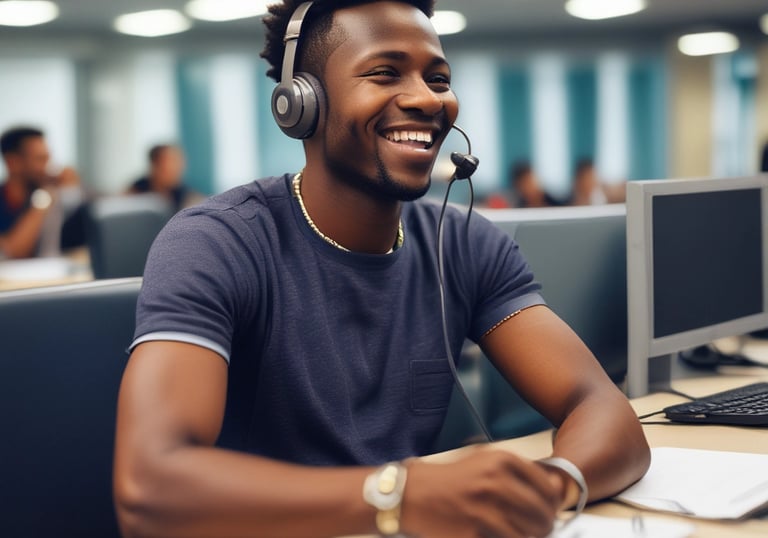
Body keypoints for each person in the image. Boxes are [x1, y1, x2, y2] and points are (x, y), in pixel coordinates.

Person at [113, 2, 650, 537]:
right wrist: (398, 496)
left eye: (438, 79)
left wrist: (544, 490)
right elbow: (150, 487)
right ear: (302, 103)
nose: (427, 99)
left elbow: (601, 406)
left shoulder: (463, 242)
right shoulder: (217, 242)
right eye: (385, 73)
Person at [0, 126, 86, 259]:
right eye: (40, 159)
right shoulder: (43, 198)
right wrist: (44, 199)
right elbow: (11, 251)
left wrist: (71, 192)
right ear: (13, 162)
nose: (48, 167)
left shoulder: (46, 194)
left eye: (48, 159)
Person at [126, 144, 204, 213]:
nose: (177, 168)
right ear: (155, 165)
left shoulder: (186, 196)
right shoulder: (135, 192)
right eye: (172, 161)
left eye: (179, 161)